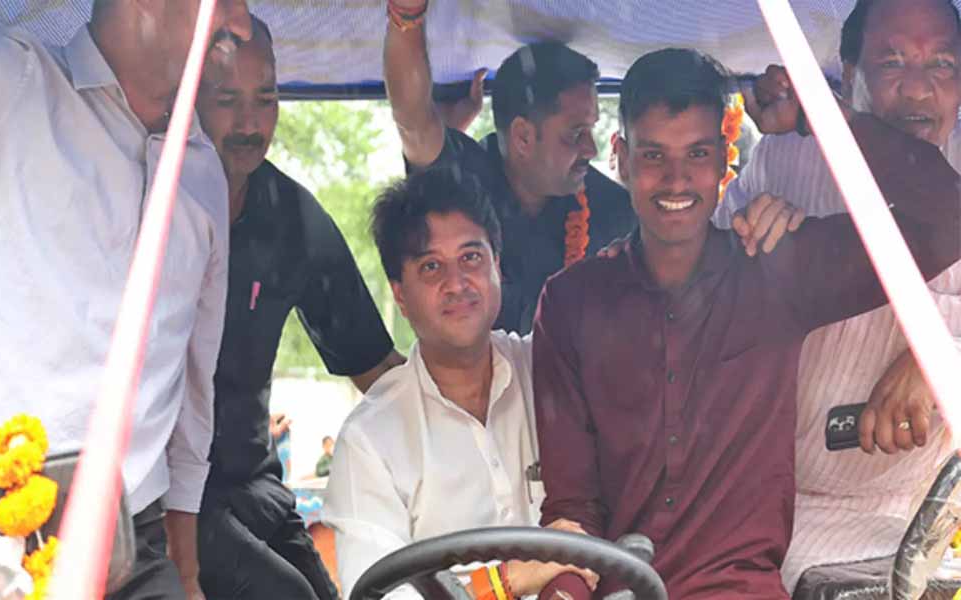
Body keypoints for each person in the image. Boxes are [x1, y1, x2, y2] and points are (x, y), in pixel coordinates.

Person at [533, 47, 961, 598]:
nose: (676, 180)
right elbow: (572, 515)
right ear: (620, 157)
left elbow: (948, 219)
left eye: (697, 153)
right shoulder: (570, 302)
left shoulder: (774, 269)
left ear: (724, 160)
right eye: (654, 155)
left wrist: (819, 117)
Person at [0, 1, 253, 598]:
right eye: (225, 0)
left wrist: (188, 570)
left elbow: (193, 386)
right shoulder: (1, 83)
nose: (241, 25)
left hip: (134, 545)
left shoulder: (204, 172)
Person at [707, 0, 961, 589]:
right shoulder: (784, 158)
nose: (918, 89)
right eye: (892, 63)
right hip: (778, 507)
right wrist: (755, 237)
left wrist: (939, 360)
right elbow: (701, 298)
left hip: (926, 519)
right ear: (848, 75)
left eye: (942, 65)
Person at [193, 16, 403, 600]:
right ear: (188, 100)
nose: (249, 123)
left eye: (265, 100)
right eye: (227, 100)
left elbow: (378, 370)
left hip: (256, 486)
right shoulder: (144, 200)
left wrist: (464, 408)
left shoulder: (293, 217)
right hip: (159, 498)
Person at [323, 169, 598, 599]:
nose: (456, 283)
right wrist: (506, 581)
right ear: (400, 295)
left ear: (497, 267)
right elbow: (380, 596)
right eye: (431, 266)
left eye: (471, 258)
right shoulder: (370, 440)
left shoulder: (553, 371)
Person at [384, 0, 637, 335]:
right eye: (576, 134)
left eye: (591, 130)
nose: (591, 149)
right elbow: (413, 120)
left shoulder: (614, 211)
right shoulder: (460, 180)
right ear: (523, 136)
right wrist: (407, 12)